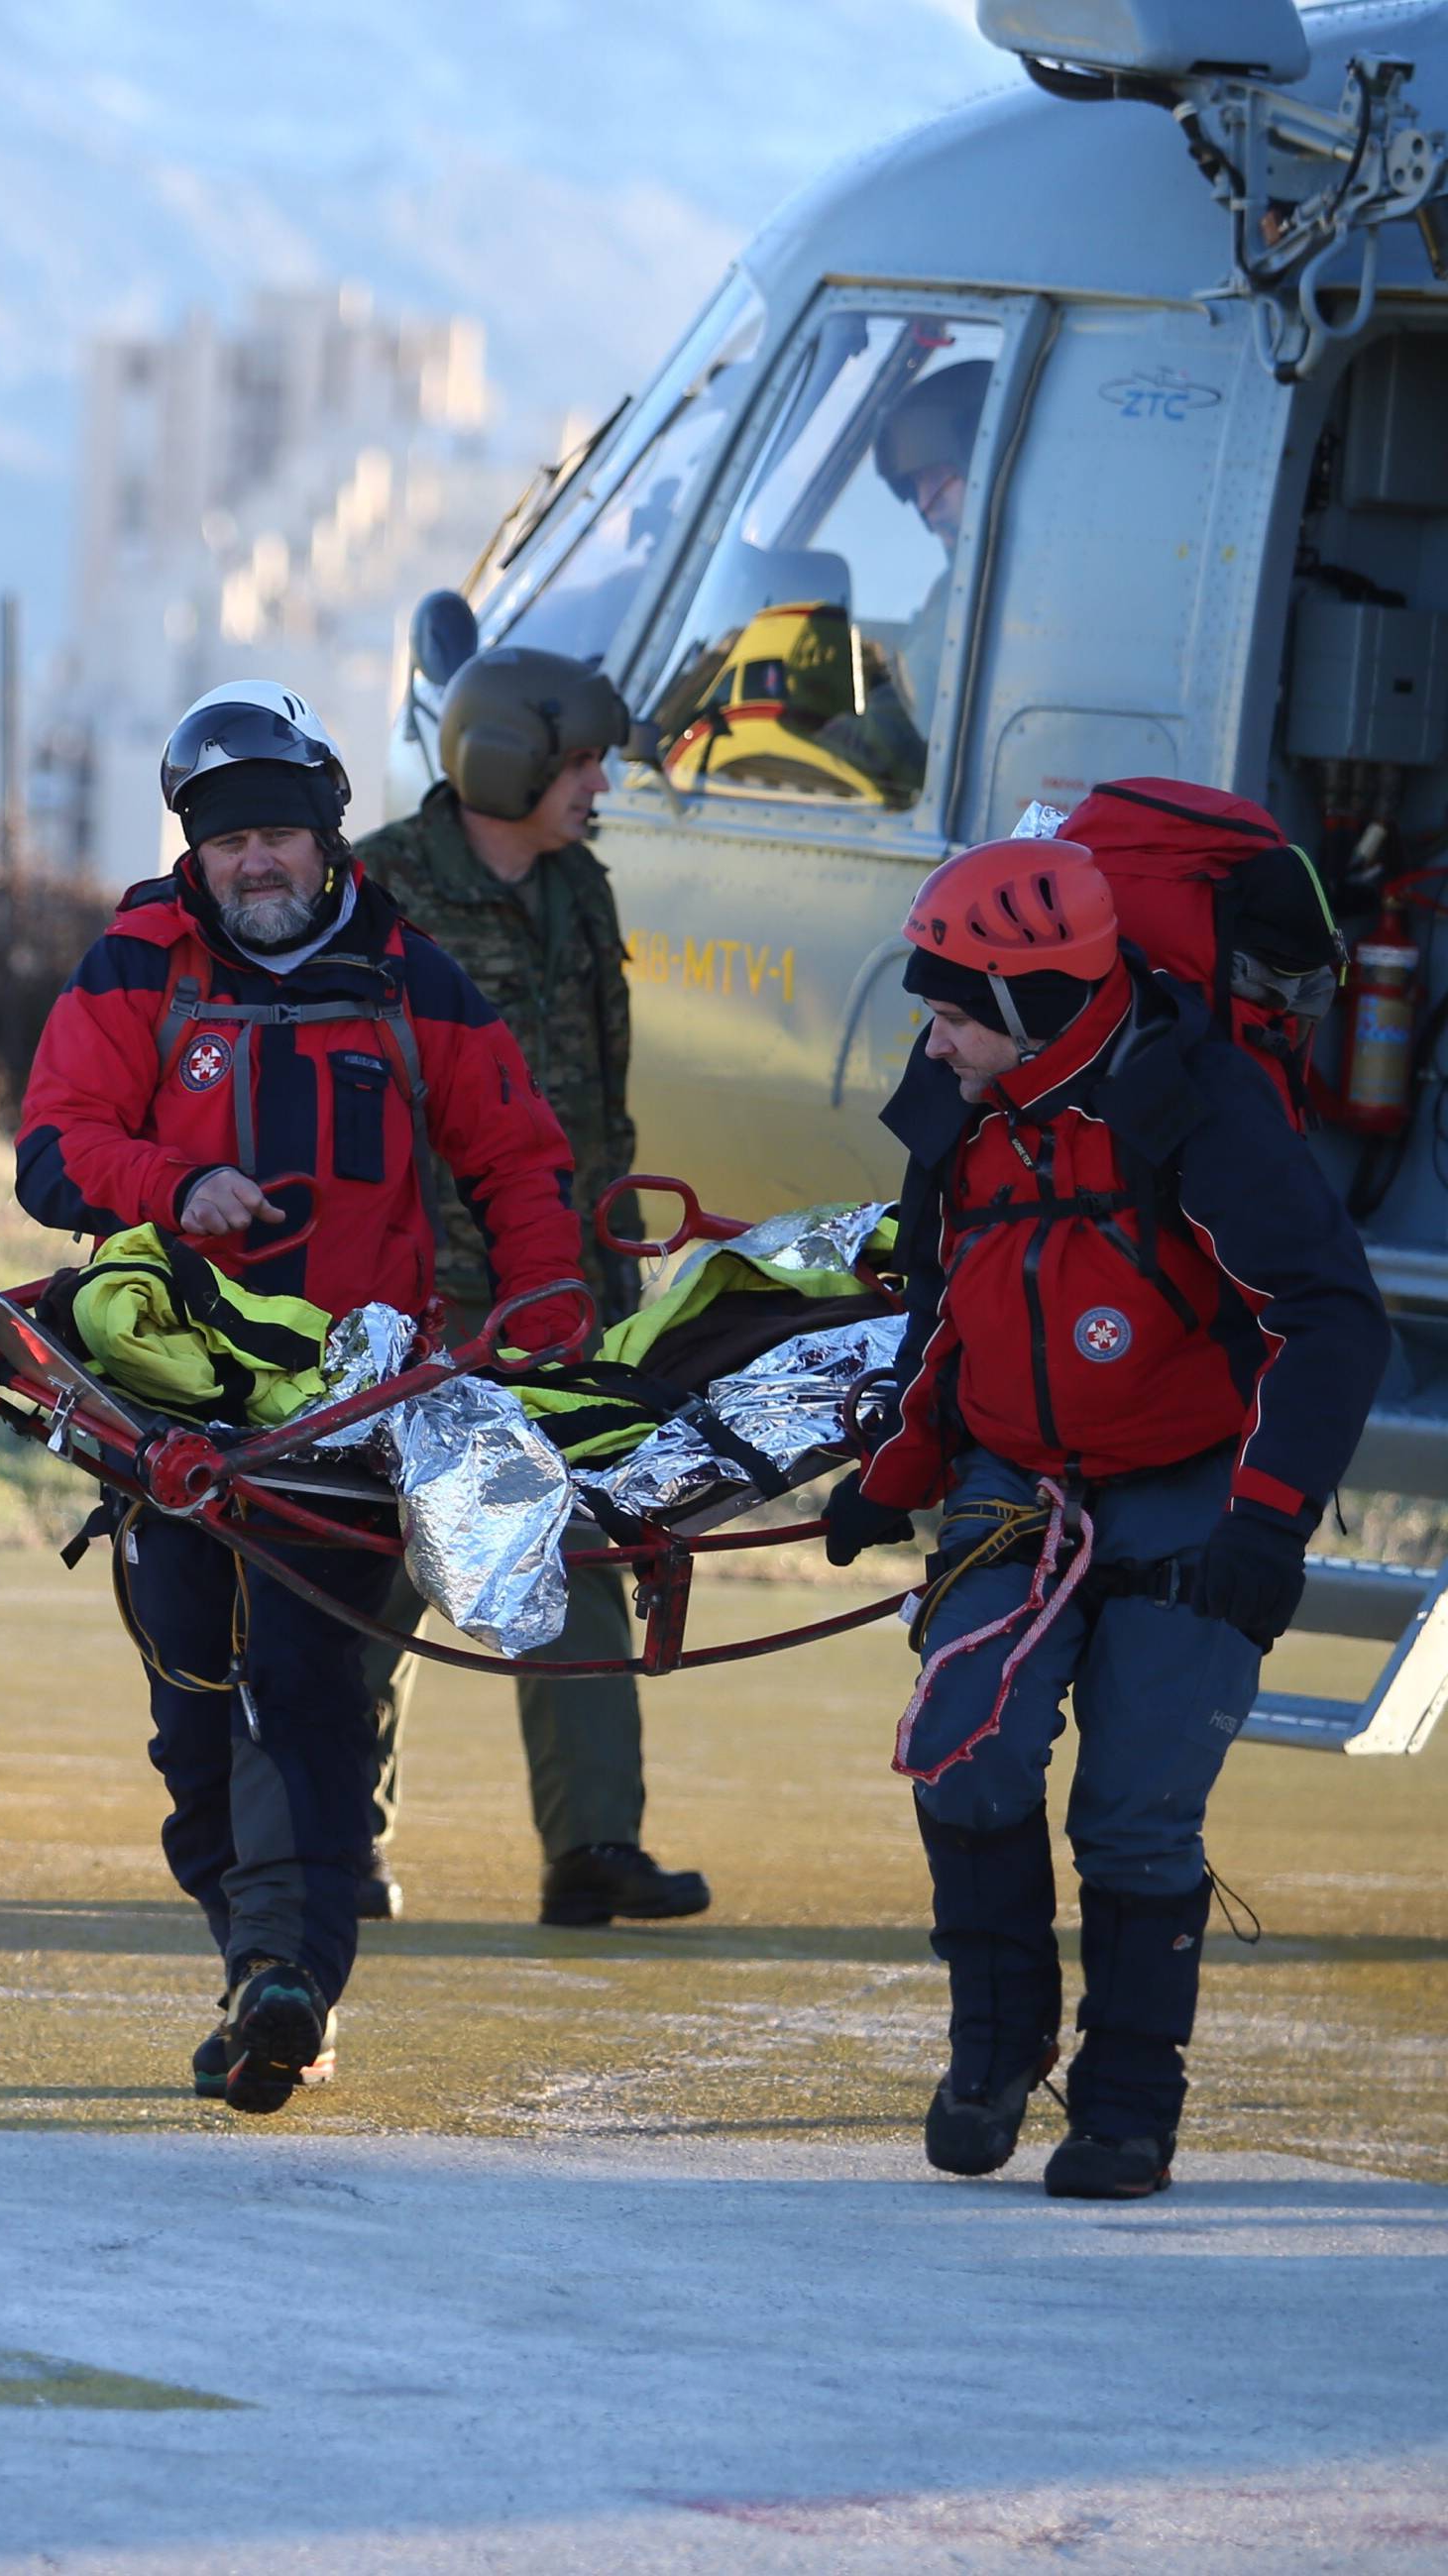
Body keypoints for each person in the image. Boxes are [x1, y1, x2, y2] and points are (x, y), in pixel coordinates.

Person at [14, 682, 588, 2113]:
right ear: (193, 853)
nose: (253, 862)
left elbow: (517, 1158)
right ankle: (263, 1974)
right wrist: (172, 1184)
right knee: (195, 1719)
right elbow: (52, 1155)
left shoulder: (412, 974)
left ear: (327, 838)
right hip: (178, 1418)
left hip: (355, 1418)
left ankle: (289, 1975)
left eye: (277, 835)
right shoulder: (138, 967)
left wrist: (547, 1316)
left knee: (309, 1698)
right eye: (227, 843)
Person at [823, 836, 1389, 2197]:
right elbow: (950, 1302)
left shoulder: (1195, 1110)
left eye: (955, 1014)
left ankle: (1128, 2107)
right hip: (1016, 1481)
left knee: (1136, 1812)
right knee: (964, 1749)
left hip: (1195, 1483)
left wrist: (1264, 1523)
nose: (934, 1041)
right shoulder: (966, 1097)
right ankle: (996, 2051)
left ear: (1026, 1007)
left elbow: (1331, 1324)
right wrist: (894, 1475)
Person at [356, 645, 711, 1929]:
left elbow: (594, 1108)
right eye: (578, 763)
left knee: (575, 1543)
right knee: (375, 1564)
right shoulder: (381, 890)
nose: (599, 785)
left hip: (558, 1290)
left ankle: (594, 1848)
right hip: (413, 1297)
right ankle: (337, 1842)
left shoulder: (582, 893)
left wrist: (605, 1269)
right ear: (508, 760)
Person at [819, 359, 990, 801]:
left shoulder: (996, 589)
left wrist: (821, 739)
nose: (924, 506)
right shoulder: (952, 587)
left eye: (935, 479)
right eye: (913, 487)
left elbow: (905, 727)